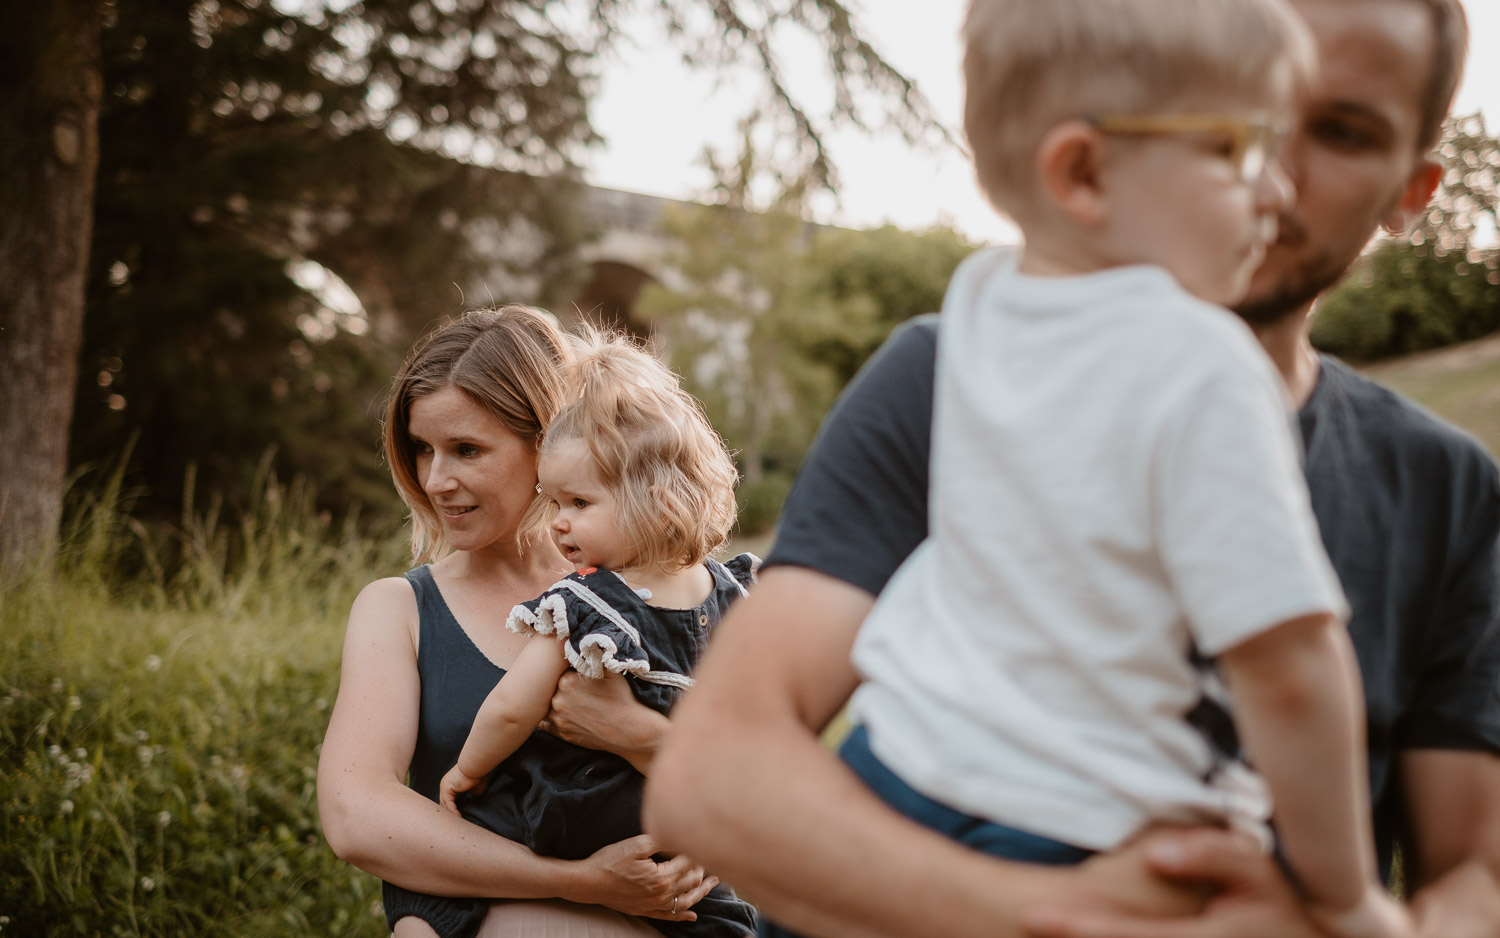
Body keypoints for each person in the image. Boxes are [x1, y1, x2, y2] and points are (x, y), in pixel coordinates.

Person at [644, 0, 1500, 936]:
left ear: (1412, 194)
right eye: (1235, 131)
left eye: (1336, 130)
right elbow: (713, 780)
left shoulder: (1447, 487)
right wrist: (1070, 918)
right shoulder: (944, 373)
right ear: (1085, 165)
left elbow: (1475, 877)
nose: (1277, 179)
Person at [816, 0, 1401, 933]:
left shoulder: (978, 308)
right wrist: (1344, 897)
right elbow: (1289, 665)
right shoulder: (1202, 359)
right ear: (1083, 172)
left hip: (890, 779)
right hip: (1080, 827)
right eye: (1236, 151)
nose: (1277, 193)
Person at [317, 306, 721, 938]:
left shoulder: (662, 594)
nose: (437, 480)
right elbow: (355, 814)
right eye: (423, 450)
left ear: (549, 442)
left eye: (467, 449)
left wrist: (632, 733)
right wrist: (581, 881)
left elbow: (771, 779)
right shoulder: (398, 608)